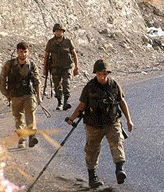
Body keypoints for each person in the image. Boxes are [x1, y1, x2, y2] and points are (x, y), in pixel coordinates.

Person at [66, 59, 134, 188]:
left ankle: (120, 170)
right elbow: (82, 105)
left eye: (104, 74)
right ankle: (93, 177)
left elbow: (122, 102)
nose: (102, 77)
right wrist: (72, 118)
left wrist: (129, 120)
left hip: (111, 122)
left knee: (117, 142)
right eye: (99, 74)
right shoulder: (89, 87)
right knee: (92, 150)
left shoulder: (113, 84)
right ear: (95, 74)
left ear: (107, 73)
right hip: (93, 124)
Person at [0, 42, 42, 148]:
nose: (23, 54)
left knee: (30, 114)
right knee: (19, 117)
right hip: (15, 95)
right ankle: (21, 139)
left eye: (25, 52)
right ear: (17, 52)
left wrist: (39, 96)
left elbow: (37, 81)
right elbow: (2, 78)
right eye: (21, 52)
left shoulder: (32, 65)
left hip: (28, 94)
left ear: (28, 52)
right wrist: (5, 93)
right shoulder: (10, 64)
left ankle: (32, 136)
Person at [43, 23, 79, 110]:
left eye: (60, 31)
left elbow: (74, 54)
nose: (58, 33)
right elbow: (46, 56)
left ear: (63, 32)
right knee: (57, 85)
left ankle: (66, 102)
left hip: (67, 67)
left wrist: (76, 67)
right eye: (57, 31)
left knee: (66, 83)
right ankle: (60, 102)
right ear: (54, 32)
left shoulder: (68, 41)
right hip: (55, 67)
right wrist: (45, 68)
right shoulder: (51, 42)